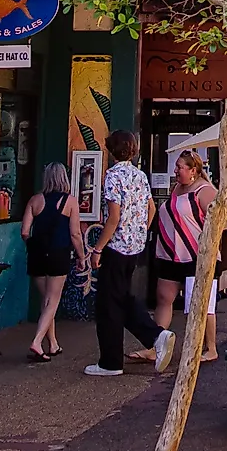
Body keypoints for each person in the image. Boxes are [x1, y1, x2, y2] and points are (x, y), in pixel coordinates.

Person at [85, 129, 169, 376]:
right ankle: (155, 335)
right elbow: (151, 208)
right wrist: (141, 231)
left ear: (111, 150)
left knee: (108, 305)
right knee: (121, 297)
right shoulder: (140, 176)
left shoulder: (113, 176)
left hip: (116, 246)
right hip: (135, 247)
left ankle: (111, 361)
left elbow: (113, 217)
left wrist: (97, 248)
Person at [152, 148, 218, 355]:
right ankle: (156, 345)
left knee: (199, 303)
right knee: (163, 298)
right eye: (176, 167)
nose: (175, 171)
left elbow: (218, 218)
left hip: (196, 255)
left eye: (180, 167)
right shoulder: (177, 188)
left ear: (194, 170)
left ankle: (210, 347)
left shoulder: (204, 190)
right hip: (171, 253)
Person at [19, 160, 82, 362]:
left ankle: (53, 344)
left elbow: (25, 232)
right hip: (58, 253)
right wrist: (82, 256)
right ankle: (37, 341)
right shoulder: (70, 201)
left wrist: (34, 243)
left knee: (46, 300)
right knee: (52, 300)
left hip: (37, 253)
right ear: (64, 177)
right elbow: (75, 234)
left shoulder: (34, 200)